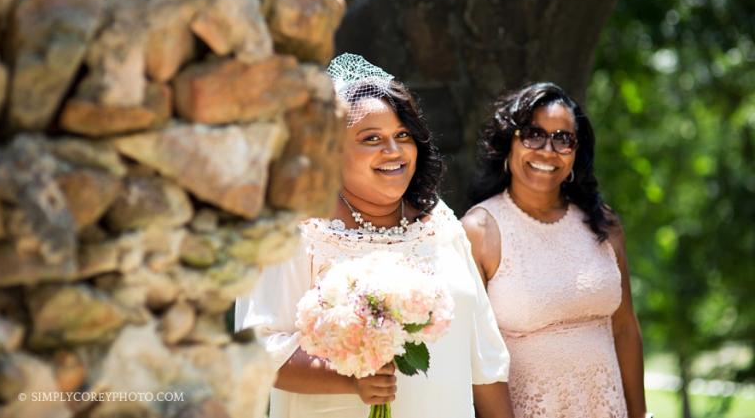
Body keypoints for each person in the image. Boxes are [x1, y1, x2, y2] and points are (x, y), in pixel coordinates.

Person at [237, 53, 514, 418]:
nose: (394, 151)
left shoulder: (441, 222)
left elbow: (485, 360)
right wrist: (350, 379)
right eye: (372, 138)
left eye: (403, 135)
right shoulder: (296, 230)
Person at [462, 83, 650, 418]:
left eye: (564, 139)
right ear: (509, 143)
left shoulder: (603, 224)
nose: (548, 150)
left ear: (577, 153)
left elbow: (624, 328)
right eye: (534, 134)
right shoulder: (479, 230)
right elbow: (476, 355)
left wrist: (641, 415)